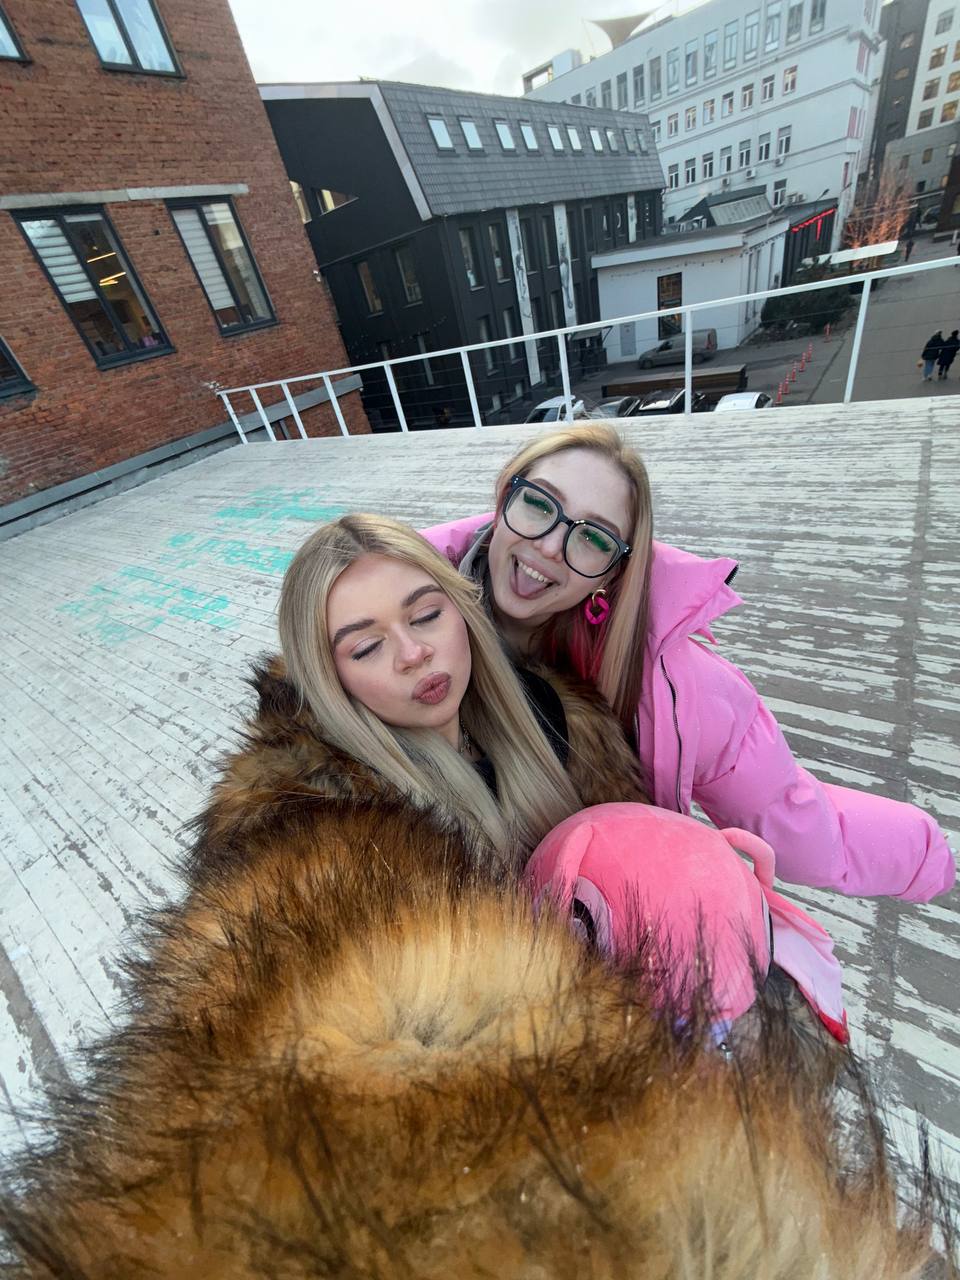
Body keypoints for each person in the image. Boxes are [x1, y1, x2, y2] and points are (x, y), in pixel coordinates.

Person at [1, 518, 946, 1277]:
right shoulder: (314, 823)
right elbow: (302, 1012)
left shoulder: (552, 722)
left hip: (689, 1035)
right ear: (329, 679)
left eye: (426, 614)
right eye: (366, 646)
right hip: (566, 1099)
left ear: (461, 608)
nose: (415, 656)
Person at [423, 424, 955, 903]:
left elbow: (787, 813)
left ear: (611, 572)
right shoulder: (395, 602)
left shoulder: (673, 682)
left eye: (592, 537)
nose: (550, 547)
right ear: (505, 496)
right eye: (540, 504)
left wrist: (924, 855)